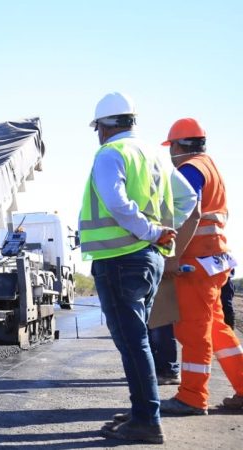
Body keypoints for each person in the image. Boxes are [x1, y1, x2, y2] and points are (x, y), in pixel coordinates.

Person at [79, 92, 197, 444]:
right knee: (138, 341)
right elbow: (189, 197)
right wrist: (160, 232)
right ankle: (142, 411)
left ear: (102, 127)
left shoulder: (110, 153)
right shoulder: (156, 156)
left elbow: (115, 200)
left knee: (133, 344)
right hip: (149, 260)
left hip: (120, 260)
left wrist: (149, 230)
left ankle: (146, 419)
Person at [158, 118, 243, 415]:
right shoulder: (211, 167)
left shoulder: (189, 169)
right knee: (218, 329)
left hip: (196, 263)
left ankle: (192, 397)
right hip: (216, 260)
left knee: (194, 331)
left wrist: (173, 256)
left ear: (179, 145)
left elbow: (191, 211)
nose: (170, 154)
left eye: (171, 147)